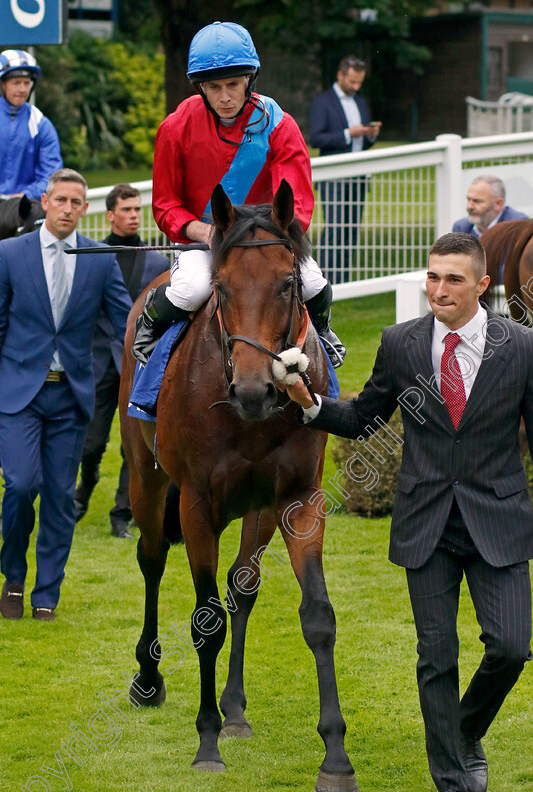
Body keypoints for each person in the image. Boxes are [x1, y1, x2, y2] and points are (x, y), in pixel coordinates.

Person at [280, 232, 533, 792]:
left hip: (499, 518)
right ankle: (449, 786)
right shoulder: (402, 343)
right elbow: (364, 419)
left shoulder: (523, 348)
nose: (439, 290)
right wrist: (308, 402)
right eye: (433, 277)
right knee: (435, 657)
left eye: (454, 280)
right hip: (427, 523)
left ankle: (465, 733)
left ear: (482, 286)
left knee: (511, 648)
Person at [134, 20, 346, 369]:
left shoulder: (279, 124)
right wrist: (202, 231)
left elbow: (297, 201)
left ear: (250, 79)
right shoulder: (175, 128)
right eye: (213, 87)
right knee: (190, 290)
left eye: (233, 84)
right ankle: (151, 323)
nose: (225, 97)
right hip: (204, 241)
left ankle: (322, 334)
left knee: (314, 285)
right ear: (200, 87)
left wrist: (268, 235)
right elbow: (166, 205)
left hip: (266, 240)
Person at [0, 169, 131, 621]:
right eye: (61, 200)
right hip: (17, 396)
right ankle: (13, 575)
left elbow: (128, 325)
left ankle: (47, 592)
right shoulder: (9, 254)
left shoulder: (99, 259)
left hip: (70, 397)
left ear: (85, 209)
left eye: (76, 202)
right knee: (22, 484)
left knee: (58, 497)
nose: (68, 209)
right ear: (45, 202)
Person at [74, 184, 169, 537]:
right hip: (99, 360)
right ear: (110, 214)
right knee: (92, 441)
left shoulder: (159, 262)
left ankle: (121, 514)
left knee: (138, 445)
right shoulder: (96, 257)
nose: (133, 215)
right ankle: (86, 482)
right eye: (125, 210)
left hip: (141, 363)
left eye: (137, 209)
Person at [309, 56, 381, 285]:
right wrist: (350, 133)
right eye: (352, 81)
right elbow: (316, 138)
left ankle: (344, 280)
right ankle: (325, 281)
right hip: (334, 176)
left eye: (359, 82)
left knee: (350, 229)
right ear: (340, 75)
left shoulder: (360, 102)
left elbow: (362, 143)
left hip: (359, 174)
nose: (356, 87)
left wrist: (370, 136)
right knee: (335, 227)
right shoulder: (322, 102)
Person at [0, 50, 63, 216]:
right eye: (16, 82)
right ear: (2, 84)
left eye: (27, 83)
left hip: (24, 209)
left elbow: (51, 174)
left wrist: (26, 195)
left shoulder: (41, 123)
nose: (22, 89)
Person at [452, 175, 527, 238]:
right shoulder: (461, 229)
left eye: (477, 201)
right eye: (469, 200)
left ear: (498, 204)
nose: (469, 206)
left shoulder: (517, 226)